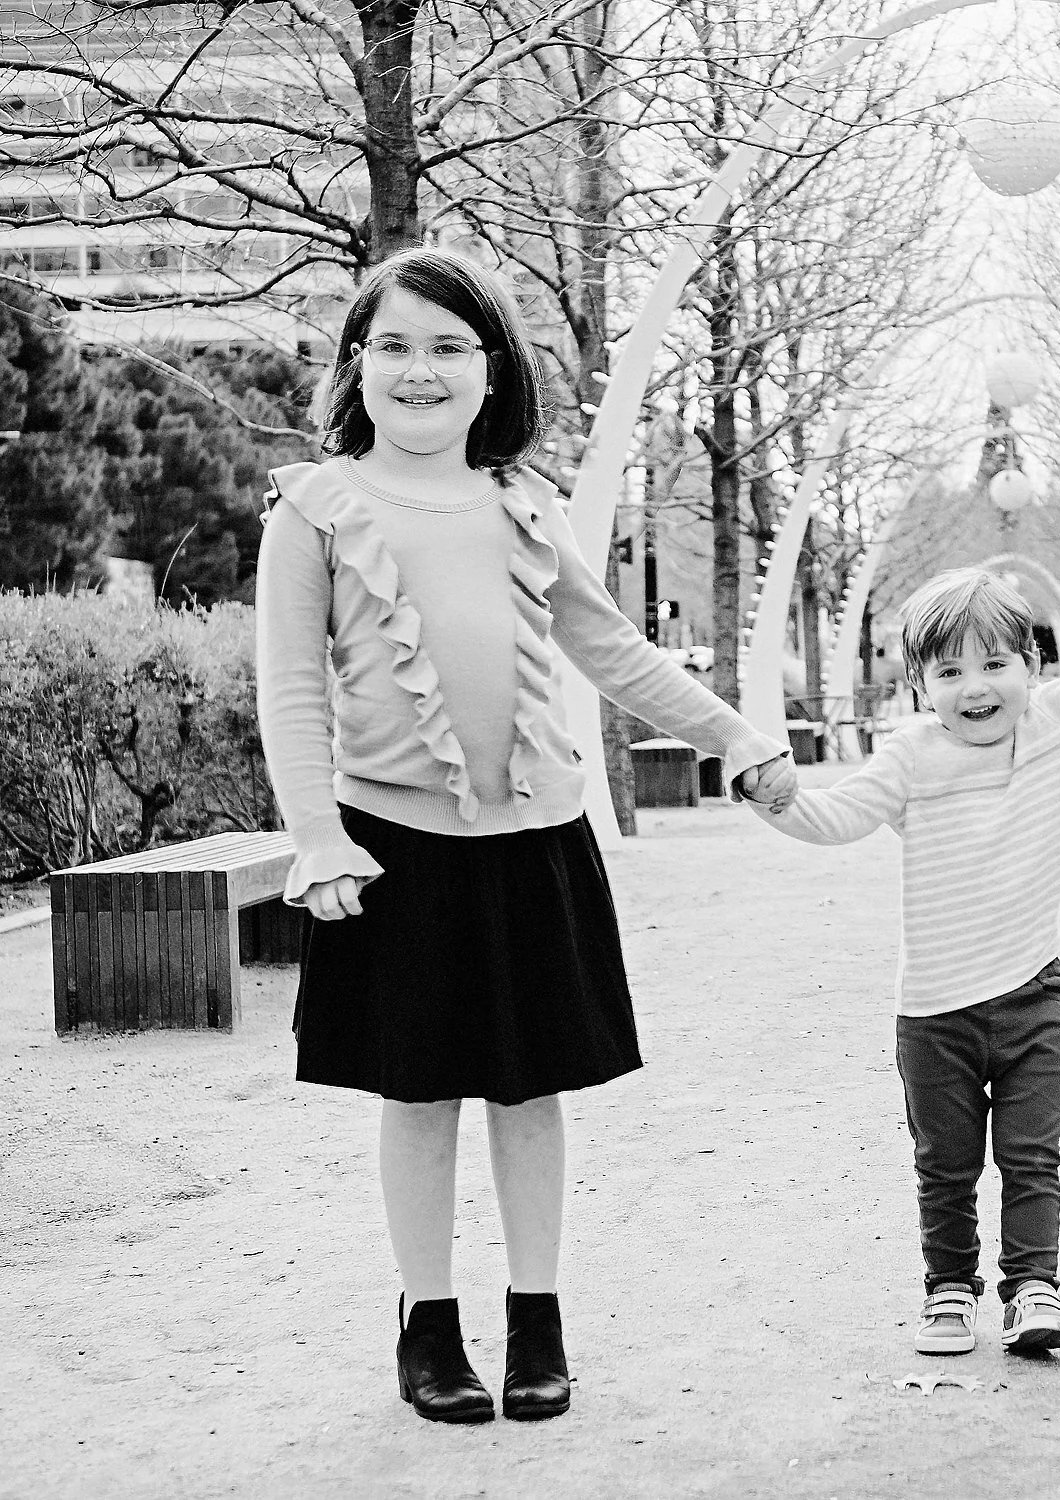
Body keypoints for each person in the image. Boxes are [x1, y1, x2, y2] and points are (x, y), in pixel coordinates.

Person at [254, 247, 796, 1424]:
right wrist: (316, 840)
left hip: (535, 843)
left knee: (527, 1092)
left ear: (491, 370)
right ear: (357, 364)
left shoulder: (522, 503)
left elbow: (612, 652)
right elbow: (291, 692)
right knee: (418, 1095)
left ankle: (536, 1314)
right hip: (390, 847)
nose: (420, 369)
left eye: (449, 346)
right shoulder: (314, 510)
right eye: (393, 344)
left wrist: (737, 737)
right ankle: (428, 1320)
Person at [748, 532, 1060, 1355]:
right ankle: (948, 1293)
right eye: (948, 673)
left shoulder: (1058, 723)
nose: (974, 689)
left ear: (1031, 667)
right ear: (919, 687)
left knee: (1032, 1157)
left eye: (994, 666)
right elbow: (835, 818)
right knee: (945, 1168)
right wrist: (772, 796)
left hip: (1034, 995)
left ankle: (1035, 1290)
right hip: (935, 1012)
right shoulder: (910, 758)